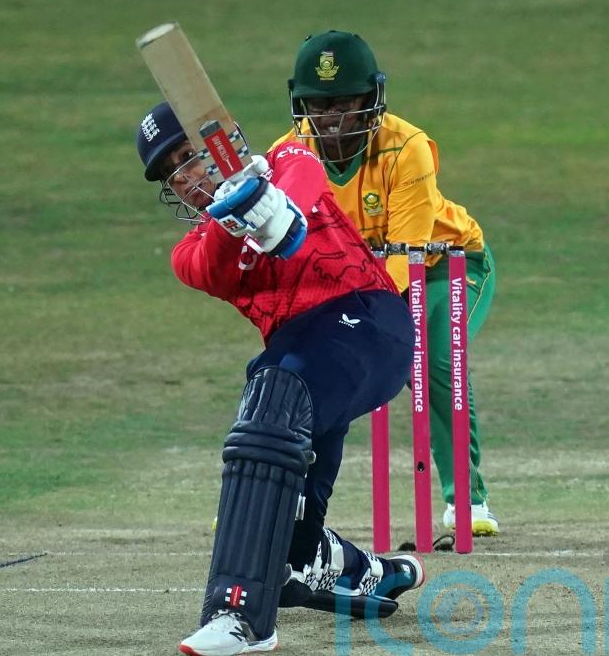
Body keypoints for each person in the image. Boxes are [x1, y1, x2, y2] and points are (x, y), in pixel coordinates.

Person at [136, 101, 426, 656]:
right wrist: (239, 213)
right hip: (312, 361)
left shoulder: (283, 157)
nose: (184, 177)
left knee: (273, 385)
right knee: (290, 548)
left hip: (371, 322)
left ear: (219, 143)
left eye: (188, 156)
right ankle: (367, 570)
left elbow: (306, 171)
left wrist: (272, 199)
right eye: (171, 172)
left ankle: (239, 615)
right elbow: (216, 264)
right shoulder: (189, 254)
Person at [274, 31, 499, 536]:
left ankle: (468, 501)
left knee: (431, 359)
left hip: (443, 265)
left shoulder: (406, 147)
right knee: (303, 370)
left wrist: (358, 321)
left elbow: (405, 254)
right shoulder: (287, 154)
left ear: (370, 98)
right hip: (355, 281)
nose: (331, 117)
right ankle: (268, 492)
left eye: (344, 103)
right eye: (319, 104)